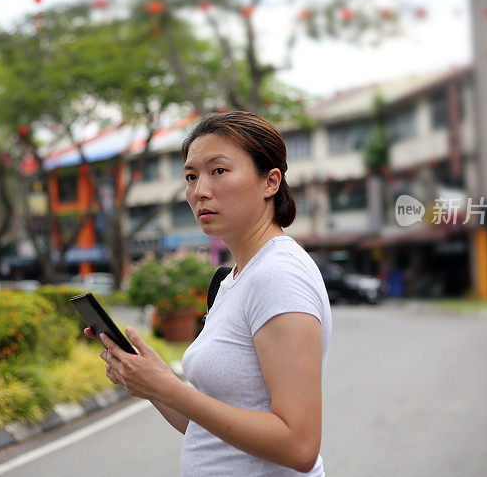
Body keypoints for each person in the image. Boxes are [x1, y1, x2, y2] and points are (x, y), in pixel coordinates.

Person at [84, 110, 332, 475]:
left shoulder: (278, 275)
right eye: (191, 176)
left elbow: (299, 446)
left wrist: (171, 390)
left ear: (271, 182)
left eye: (219, 171)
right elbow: (210, 430)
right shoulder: (235, 278)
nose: (199, 191)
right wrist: (152, 383)